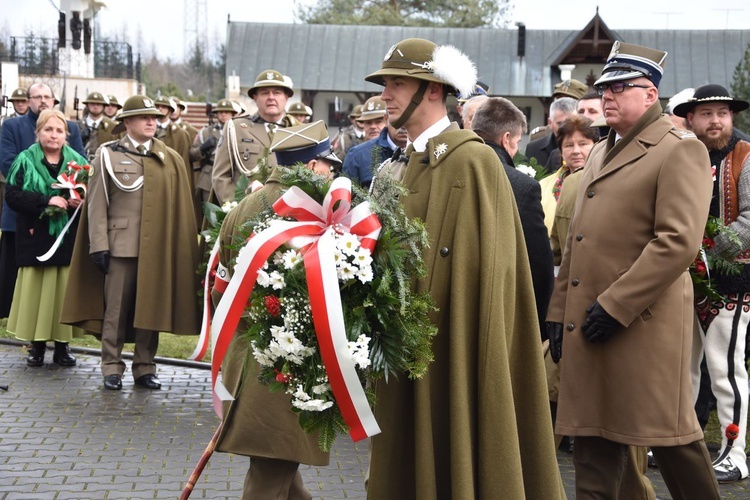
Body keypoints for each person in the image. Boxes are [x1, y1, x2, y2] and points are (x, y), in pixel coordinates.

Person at [366, 37, 565, 498]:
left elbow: (490, 275)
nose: (386, 94)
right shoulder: (405, 163)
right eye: (386, 84)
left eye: (398, 83)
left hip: (452, 345)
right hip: (405, 348)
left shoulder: (473, 160)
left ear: (433, 90)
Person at [546, 41, 721, 499]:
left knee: (670, 440)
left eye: (621, 87)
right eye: (604, 87)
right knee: (592, 436)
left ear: (650, 94)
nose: (607, 95)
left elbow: (677, 242)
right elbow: (577, 240)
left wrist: (616, 305)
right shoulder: (603, 150)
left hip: (644, 322)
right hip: (590, 318)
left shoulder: (679, 148)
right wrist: (558, 311)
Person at [212, 120, 339, 499]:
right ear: (312, 165)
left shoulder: (245, 205)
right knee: (271, 473)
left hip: (247, 357)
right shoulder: (314, 213)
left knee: (280, 466)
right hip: (290, 368)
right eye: (328, 164)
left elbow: (221, 287)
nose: (331, 172)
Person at [61, 95, 200, 391]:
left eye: (154, 118)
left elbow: (178, 208)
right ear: (127, 122)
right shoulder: (108, 155)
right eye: (144, 117)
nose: (152, 122)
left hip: (157, 249)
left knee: (150, 309)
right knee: (116, 310)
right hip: (121, 246)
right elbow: (97, 204)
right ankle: (111, 366)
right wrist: (98, 244)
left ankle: (145, 366)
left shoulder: (169, 157)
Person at [674, 84, 750, 484]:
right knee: (683, 367)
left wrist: (708, 251)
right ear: (691, 118)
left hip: (732, 279)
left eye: (722, 113)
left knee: (725, 369)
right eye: (706, 114)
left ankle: (735, 454)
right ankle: (680, 447)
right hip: (683, 278)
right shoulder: (683, 155)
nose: (715, 120)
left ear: (732, 117)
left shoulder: (747, 155)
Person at [5, 109, 87, 367]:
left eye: (59, 131)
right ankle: (36, 347)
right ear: (38, 133)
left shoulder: (78, 163)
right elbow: (12, 196)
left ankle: (63, 347)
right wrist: (45, 200)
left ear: (67, 135)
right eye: (48, 130)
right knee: (36, 296)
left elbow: (90, 198)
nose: (53, 135)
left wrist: (78, 202)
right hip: (34, 238)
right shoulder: (24, 160)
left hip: (65, 240)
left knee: (63, 294)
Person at [470, 96, 554, 340]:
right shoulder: (521, 186)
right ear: (506, 139)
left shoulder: (443, 169)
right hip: (499, 313)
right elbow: (538, 264)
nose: (516, 149)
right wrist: (538, 326)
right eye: (517, 142)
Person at [0, 83, 85, 319]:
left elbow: (82, 173)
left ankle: (61, 343)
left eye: (48, 96)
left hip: (65, 228)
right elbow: (8, 166)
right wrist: (48, 194)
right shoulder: (12, 129)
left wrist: (75, 197)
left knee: (62, 286)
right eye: (38, 97)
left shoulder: (72, 135)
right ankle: (32, 340)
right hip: (29, 223)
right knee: (23, 280)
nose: (43, 100)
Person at [212, 69, 296, 205]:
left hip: (288, 213)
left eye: (277, 92)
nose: (271, 97)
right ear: (255, 97)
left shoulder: (298, 130)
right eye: (264, 93)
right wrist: (234, 208)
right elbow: (220, 176)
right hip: (246, 211)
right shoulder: (236, 128)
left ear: (286, 98)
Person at [538, 114, 598, 234]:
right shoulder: (543, 186)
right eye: (569, 145)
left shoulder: (605, 182)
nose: (576, 151)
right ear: (561, 151)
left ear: (596, 146)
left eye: (583, 144)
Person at [189, 98, 237, 204]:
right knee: (209, 214)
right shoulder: (206, 132)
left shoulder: (239, 131)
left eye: (227, 112)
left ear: (233, 114)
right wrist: (202, 149)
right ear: (216, 114)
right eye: (220, 112)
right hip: (209, 176)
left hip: (233, 175)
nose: (223, 114)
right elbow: (192, 154)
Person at [342, 113, 407, 189]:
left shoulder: (422, 152)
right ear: (386, 119)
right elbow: (346, 196)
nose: (403, 125)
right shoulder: (357, 155)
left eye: (378, 121)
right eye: (398, 119)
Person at [525, 96, 577, 173]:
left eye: (570, 123)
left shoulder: (588, 147)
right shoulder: (533, 149)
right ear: (550, 123)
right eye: (560, 124)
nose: (565, 128)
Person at [78, 92, 118, 161]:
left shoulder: (113, 126)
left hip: (104, 163)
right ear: (87, 105)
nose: (95, 106)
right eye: (92, 104)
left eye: (99, 104)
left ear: (104, 106)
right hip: (81, 163)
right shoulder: (77, 125)